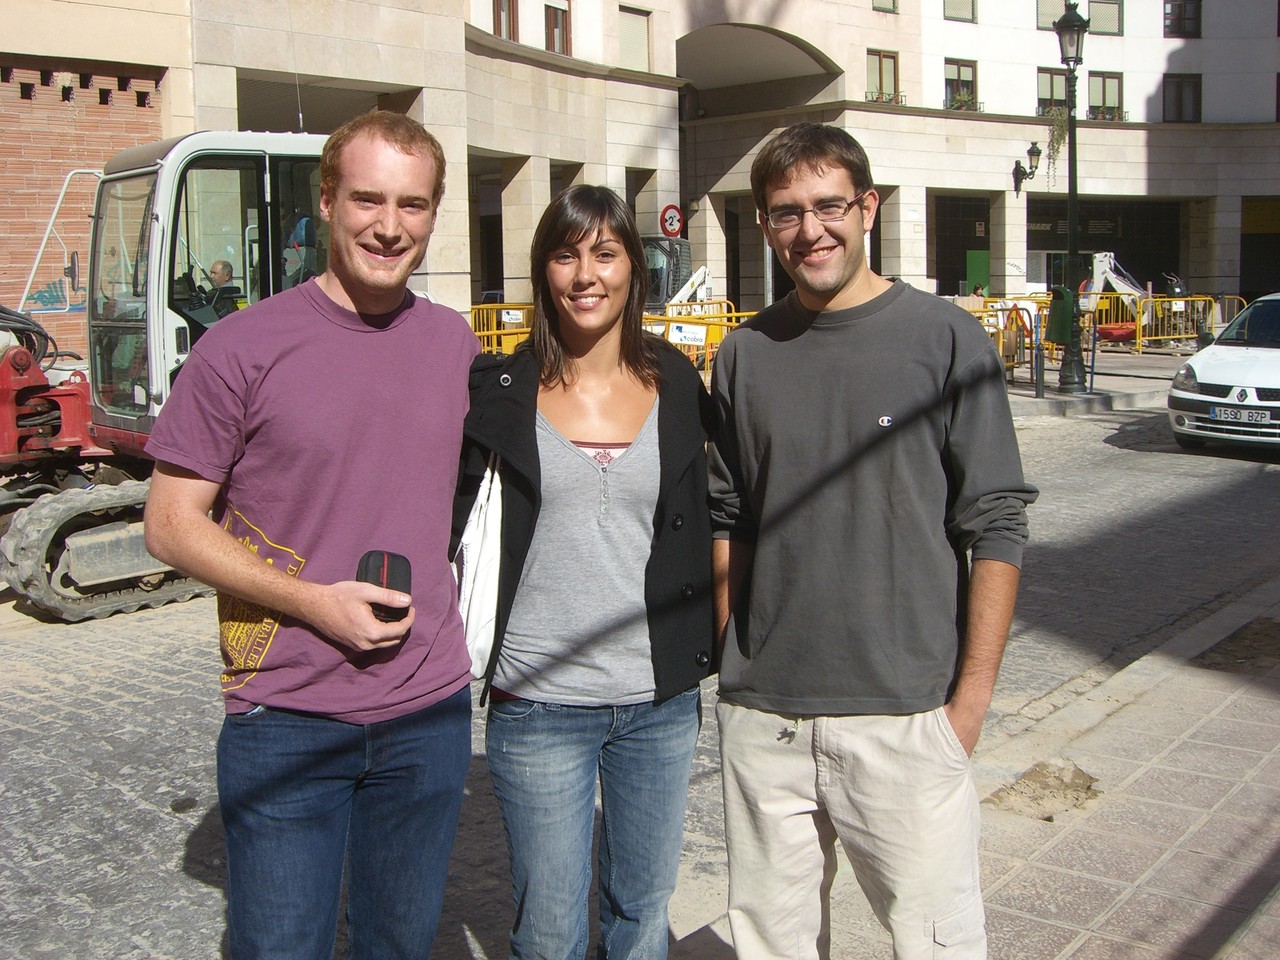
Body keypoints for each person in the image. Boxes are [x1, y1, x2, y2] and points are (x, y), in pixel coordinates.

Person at [143, 109, 477, 959]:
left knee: (398, 946)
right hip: (285, 712)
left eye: (413, 204)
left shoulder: (453, 342)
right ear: (326, 201)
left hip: (428, 711)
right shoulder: (240, 347)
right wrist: (313, 603)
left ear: (434, 213)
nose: (389, 225)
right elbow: (170, 525)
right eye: (368, 199)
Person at [708, 121, 1038, 960]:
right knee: (771, 948)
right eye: (786, 213)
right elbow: (729, 520)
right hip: (767, 724)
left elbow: (995, 522)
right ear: (763, 223)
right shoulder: (744, 354)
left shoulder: (946, 337)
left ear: (868, 208)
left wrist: (966, 711)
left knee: (936, 945)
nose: (810, 230)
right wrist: (731, 655)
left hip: (906, 719)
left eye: (829, 206)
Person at [454, 184, 714, 959]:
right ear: (543, 272)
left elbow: (720, 515)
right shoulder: (500, 391)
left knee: (641, 918)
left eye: (605, 253)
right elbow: (450, 524)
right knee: (551, 933)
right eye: (565, 255)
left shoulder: (678, 385)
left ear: (635, 267)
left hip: (659, 703)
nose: (585, 275)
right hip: (538, 703)